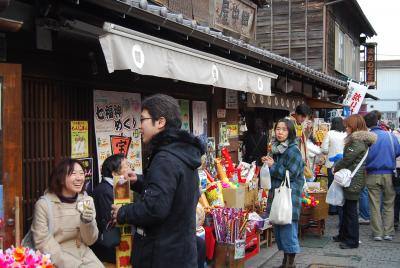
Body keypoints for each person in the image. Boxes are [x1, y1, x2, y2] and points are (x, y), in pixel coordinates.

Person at [111, 94, 205, 268]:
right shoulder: (182, 154)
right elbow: (173, 192)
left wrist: (123, 213)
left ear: (160, 122)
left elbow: (155, 208)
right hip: (181, 251)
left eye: (143, 120)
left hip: (163, 255)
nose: (140, 127)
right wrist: (139, 181)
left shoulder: (165, 158)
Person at [31, 159, 103, 268]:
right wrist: (74, 265)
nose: (79, 178)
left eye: (81, 173)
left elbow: (90, 240)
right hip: (56, 258)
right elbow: (42, 242)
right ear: (60, 179)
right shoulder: (44, 205)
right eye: (73, 174)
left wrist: (87, 222)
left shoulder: (86, 200)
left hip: (84, 254)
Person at [262, 118, 304, 268]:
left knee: (288, 230)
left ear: (290, 132)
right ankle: (285, 262)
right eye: (278, 129)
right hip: (278, 194)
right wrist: (268, 163)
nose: (280, 132)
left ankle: (290, 264)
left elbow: (291, 174)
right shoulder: (276, 149)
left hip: (289, 196)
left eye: (284, 129)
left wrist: (273, 166)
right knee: (280, 231)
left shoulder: (293, 151)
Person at [332, 115, 376, 249]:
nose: (346, 128)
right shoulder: (360, 140)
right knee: (345, 209)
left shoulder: (357, 142)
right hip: (353, 178)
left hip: (353, 181)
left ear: (355, 127)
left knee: (350, 211)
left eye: (348, 125)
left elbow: (347, 159)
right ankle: (343, 235)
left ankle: (352, 240)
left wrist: (335, 167)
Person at [364, 111, 400, 241]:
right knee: (389, 204)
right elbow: (397, 152)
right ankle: (388, 232)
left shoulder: (367, 137)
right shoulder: (390, 136)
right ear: (378, 121)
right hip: (389, 173)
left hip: (372, 174)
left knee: (374, 204)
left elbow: (363, 156)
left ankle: (377, 233)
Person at [91, 154, 132, 264]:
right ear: (114, 173)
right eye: (126, 166)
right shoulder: (104, 191)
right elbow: (108, 220)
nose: (130, 169)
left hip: (120, 243)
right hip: (109, 248)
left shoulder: (120, 185)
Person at [321, 117, 347, 216]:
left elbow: (324, 149)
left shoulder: (329, 133)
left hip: (331, 164)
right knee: (342, 183)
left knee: (332, 184)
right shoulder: (346, 134)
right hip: (344, 163)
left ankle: (332, 208)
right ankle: (341, 205)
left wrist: (330, 151)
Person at [393, 118, 400, 229]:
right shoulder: (394, 135)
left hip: (397, 168)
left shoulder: (395, 135)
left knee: (397, 195)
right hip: (397, 168)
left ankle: (395, 220)